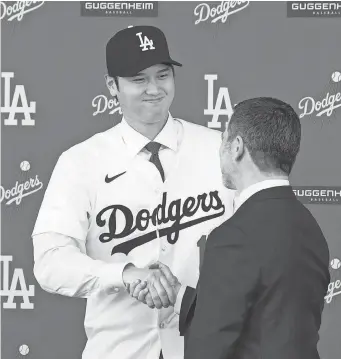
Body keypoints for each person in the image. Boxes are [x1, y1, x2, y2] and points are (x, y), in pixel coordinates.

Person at [31, 25, 234, 359]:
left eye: (162, 75)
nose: (153, 89)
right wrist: (123, 274)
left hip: (205, 348)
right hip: (117, 351)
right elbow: (50, 262)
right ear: (113, 85)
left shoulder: (218, 149)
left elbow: (255, 244)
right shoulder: (81, 161)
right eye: (138, 79)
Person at [129, 97, 331, 359]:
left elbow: (209, 348)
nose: (219, 149)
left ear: (236, 147)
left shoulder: (232, 237)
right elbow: (269, 319)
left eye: (224, 138)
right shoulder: (309, 227)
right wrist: (179, 296)